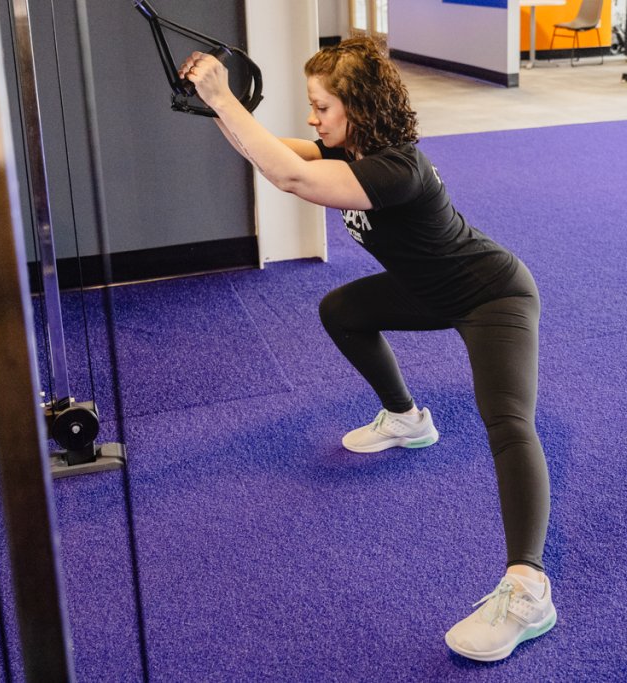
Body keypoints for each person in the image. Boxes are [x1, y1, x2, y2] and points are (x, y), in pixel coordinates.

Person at [178, 37, 555, 662]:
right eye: (311, 106)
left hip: (493, 297)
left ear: (360, 108)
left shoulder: (395, 168)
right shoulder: (348, 148)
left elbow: (290, 175)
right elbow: (275, 153)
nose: (312, 119)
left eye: (321, 107)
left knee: (509, 425)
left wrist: (223, 97)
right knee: (343, 310)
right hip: (427, 289)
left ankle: (528, 587)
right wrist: (220, 109)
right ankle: (408, 419)